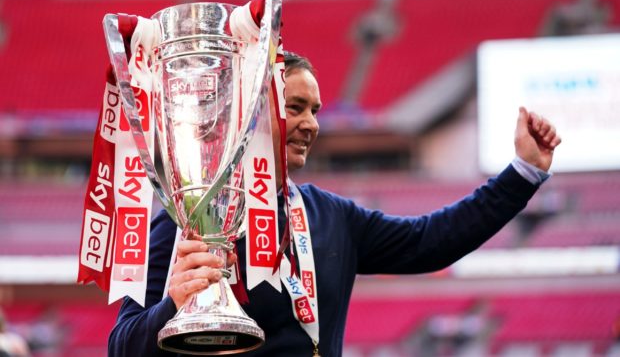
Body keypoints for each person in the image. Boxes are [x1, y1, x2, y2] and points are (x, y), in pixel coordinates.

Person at [108, 52, 561, 356]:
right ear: (253, 112)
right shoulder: (188, 223)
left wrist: (522, 173)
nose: (310, 124)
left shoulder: (331, 216)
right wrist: (172, 305)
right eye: (297, 107)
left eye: (316, 111)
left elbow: (430, 241)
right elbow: (121, 345)